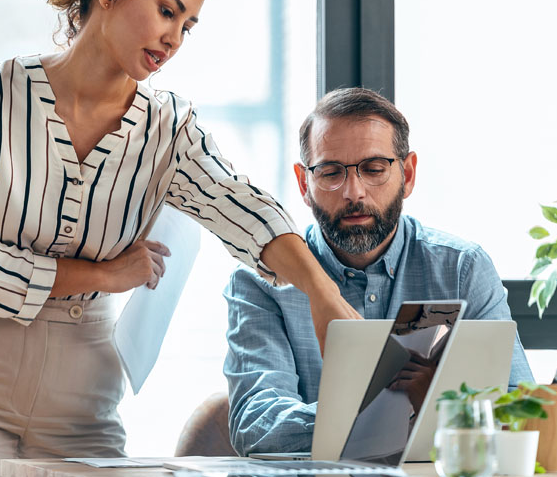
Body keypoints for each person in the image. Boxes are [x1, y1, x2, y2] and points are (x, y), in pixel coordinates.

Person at [0, 0, 357, 475]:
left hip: (81, 392)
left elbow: (244, 210)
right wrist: (104, 275)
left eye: (187, 26)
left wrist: (321, 293)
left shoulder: (168, 129)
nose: (173, 38)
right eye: (166, 11)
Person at [223, 87, 534, 456]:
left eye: (373, 169)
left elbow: (522, 413)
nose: (354, 192)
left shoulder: (462, 269)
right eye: (330, 172)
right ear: (305, 184)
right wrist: (411, 412)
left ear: (408, 173)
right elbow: (257, 427)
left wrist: (417, 409)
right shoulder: (261, 283)